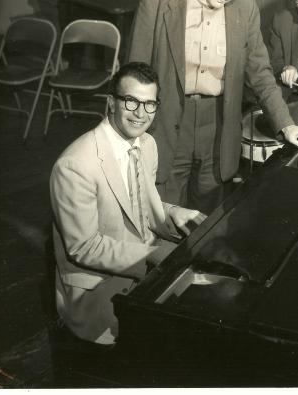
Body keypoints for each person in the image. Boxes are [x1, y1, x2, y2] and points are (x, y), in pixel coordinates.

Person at [127, 0, 298, 210]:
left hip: (218, 128)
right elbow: (132, 81)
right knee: (163, 216)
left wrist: (286, 124)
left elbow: (261, 75)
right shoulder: (155, 4)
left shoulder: (246, 9)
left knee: (207, 220)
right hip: (166, 124)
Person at [51, 62, 205, 345]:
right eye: (131, 101)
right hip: (99, 287)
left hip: (142, 264)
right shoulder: (75, 165)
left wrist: (174, 212)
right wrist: (148, 256)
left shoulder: (146, 144)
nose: (140, 113)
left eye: (149, 104)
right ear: (111, 103)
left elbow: (139, 206)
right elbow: (83, 247)